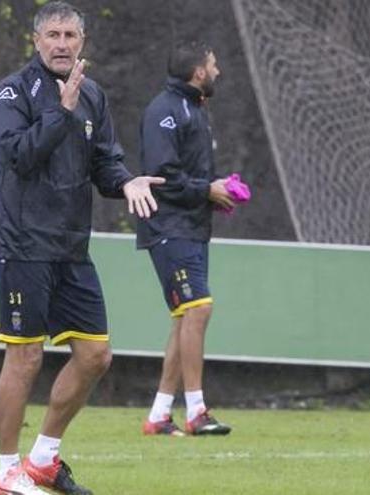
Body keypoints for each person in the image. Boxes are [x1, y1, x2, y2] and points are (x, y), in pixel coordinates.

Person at [0, 2, 165, 494]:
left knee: (95, 355)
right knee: (24, 359)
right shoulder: (12, 92)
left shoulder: (93, 96)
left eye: (70, 35)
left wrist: (126, 181)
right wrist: (59, 113)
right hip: (23, 245)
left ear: (82, 42)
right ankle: (7, 473)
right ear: (36, 41)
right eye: (53, 35)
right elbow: (20, 156)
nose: (62, 43)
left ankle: (43, 459)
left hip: (71, 248)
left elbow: (105, 162)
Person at [136, 40, 238, 437]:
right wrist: (205, 190)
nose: (218, 71)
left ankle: (160, 415)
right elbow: (162, 176)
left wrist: (217, 191)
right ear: (198, 72)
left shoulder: (195, 109)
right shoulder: (165, 110)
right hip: (168, 227)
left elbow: (190, 175)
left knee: (186, 316)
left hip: (191, 227)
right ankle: (197, 411)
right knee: (198, 309)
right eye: (213, 64)